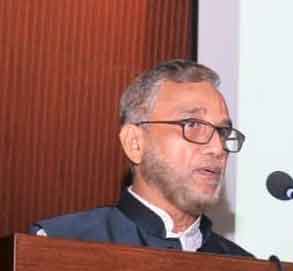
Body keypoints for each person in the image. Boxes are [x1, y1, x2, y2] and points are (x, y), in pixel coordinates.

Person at [32, 59, 251, 257]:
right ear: (134, 143)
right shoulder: (60, 244)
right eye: (192, 124)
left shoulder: (245, 269)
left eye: (223, 132)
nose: (217, 148)